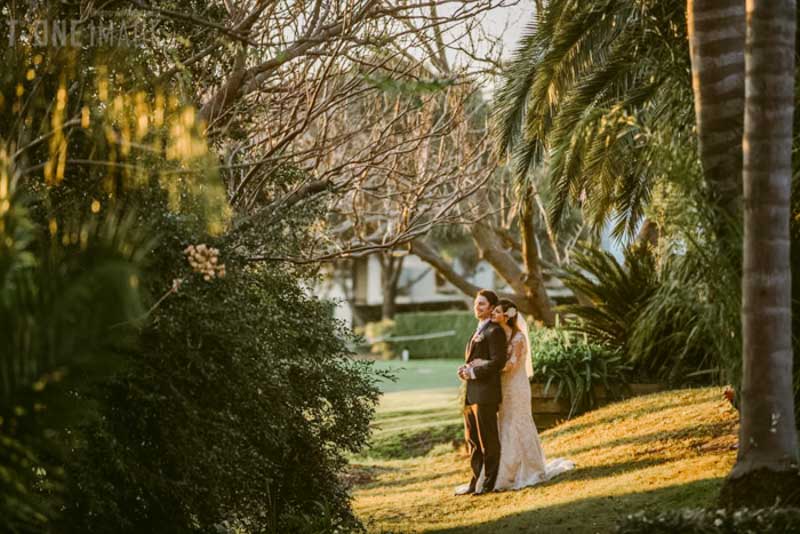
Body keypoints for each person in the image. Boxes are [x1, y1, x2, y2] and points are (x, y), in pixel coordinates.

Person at [468, 298, 575, 491]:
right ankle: (507, 471)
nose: (492, 314)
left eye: (496, 311)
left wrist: (483, 365)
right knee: (505, 425)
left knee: (518, 423)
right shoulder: (502, 335)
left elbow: (510, 365)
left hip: (516, 387)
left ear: (507, 316)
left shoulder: (518, 338)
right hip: (503, 387)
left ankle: (528, 469)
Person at [455, 289, 507, 496]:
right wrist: (465, 370)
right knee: (473, 441)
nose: (478, 307)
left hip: (486, 394)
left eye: (482, 304)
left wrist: (474, 372)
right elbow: (474, 360)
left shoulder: (495, 331)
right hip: (471, 394)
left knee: (488, 440)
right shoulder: (478, 331)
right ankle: (475, 481)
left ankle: (489, 481)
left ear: (492, 308)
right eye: (477, 303)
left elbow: (498, 362)